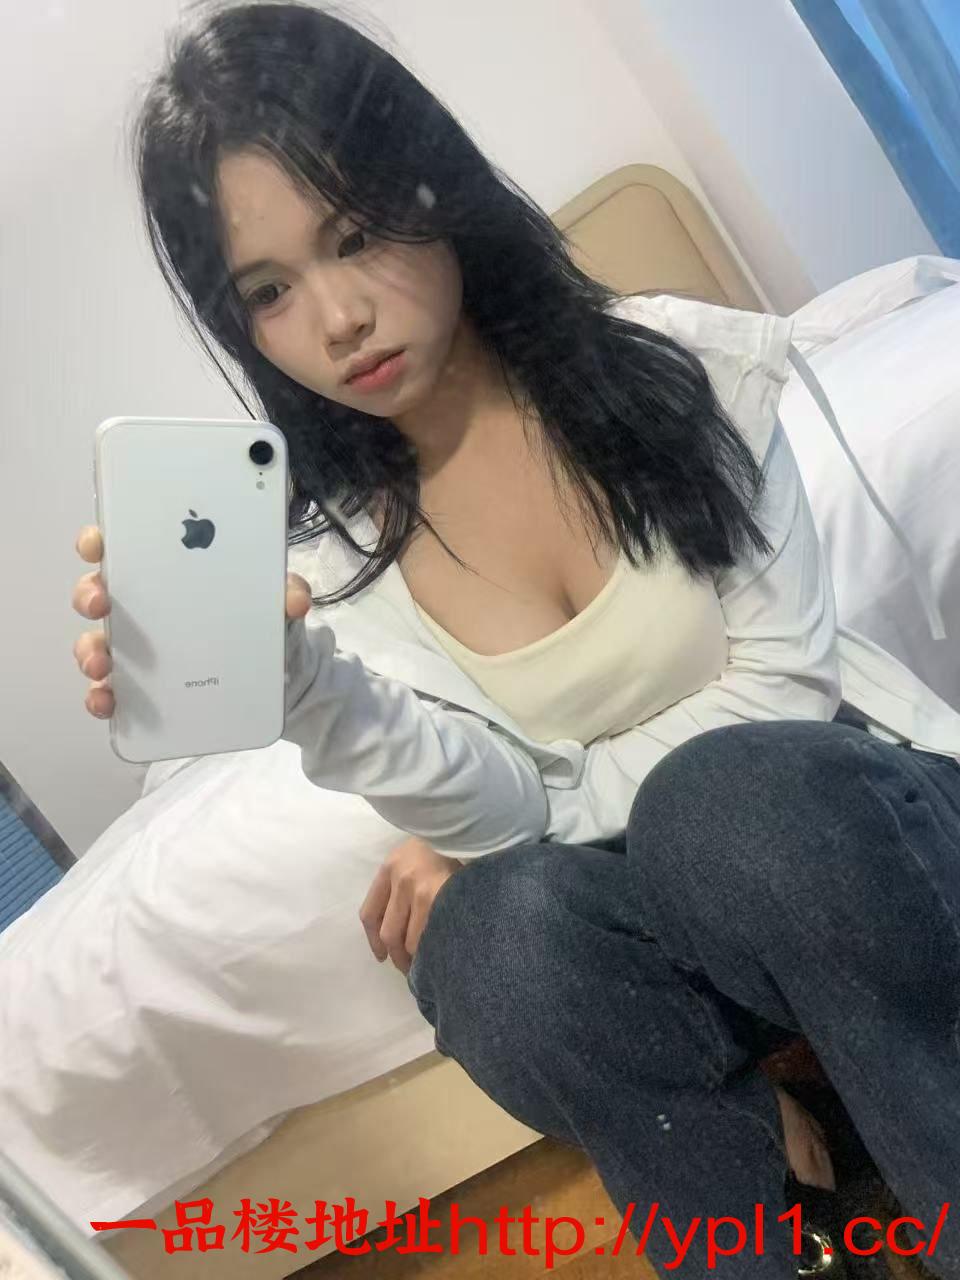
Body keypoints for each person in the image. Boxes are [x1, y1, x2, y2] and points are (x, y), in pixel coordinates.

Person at [68, 4, 960, 1275]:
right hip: (656, 939)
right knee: (495, 940)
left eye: (355, 236)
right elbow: (490, 805)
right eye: (268, 291)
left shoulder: (684, 369)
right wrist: (309, 691)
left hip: (851, 848)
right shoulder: (335, 563)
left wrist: (532, 814)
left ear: (432, 188)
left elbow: (783, 686)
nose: (337, 319)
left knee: (731, 798)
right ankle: (786, 1220)